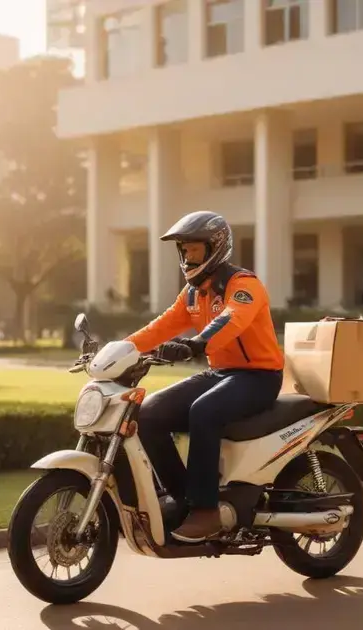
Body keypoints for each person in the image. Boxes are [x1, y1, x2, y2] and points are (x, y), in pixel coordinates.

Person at [125, 211, 284, 543]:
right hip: (222, 373)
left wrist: (196, 343)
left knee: (205, 411)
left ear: (215, 247)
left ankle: (206, 511)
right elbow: (159, 328)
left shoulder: (243, 284)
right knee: (150, 413)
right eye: (184, 251)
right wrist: (119, 349)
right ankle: (183, 498)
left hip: (259, 377)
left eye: (194, 250)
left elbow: (232, 320)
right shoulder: (194, 294)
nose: (187, 257)